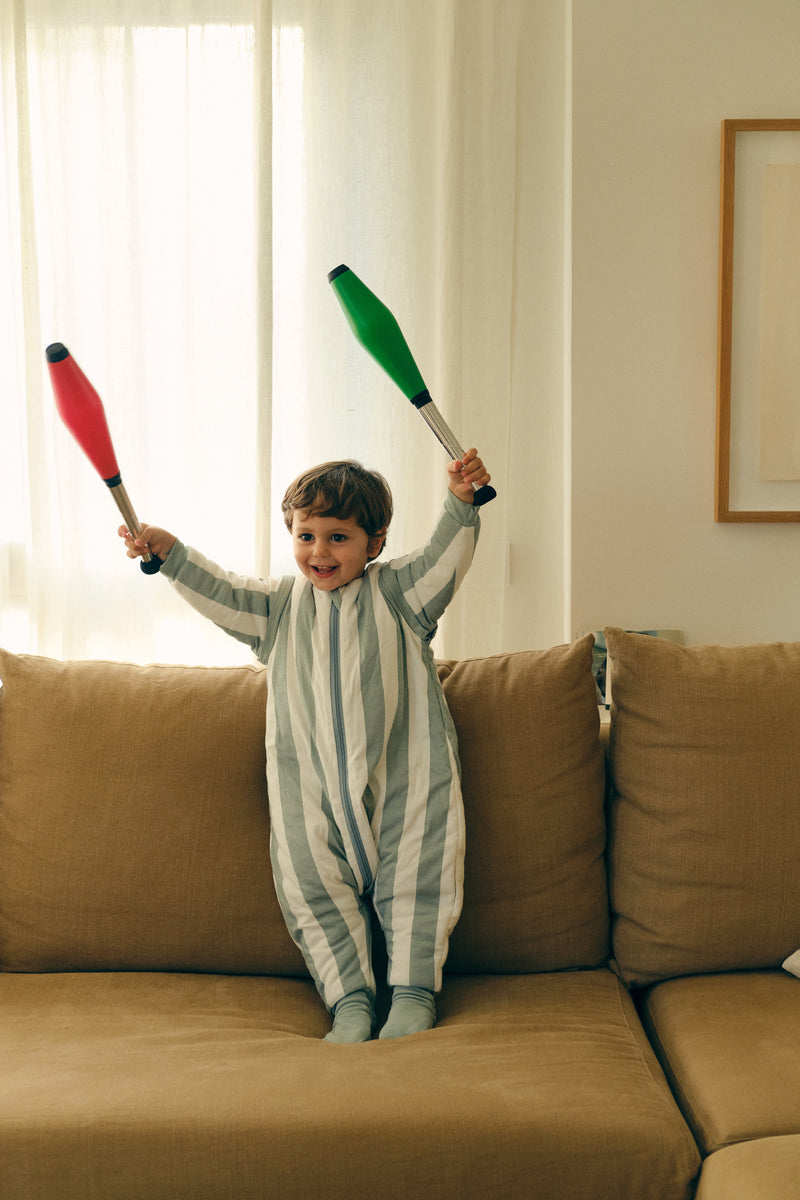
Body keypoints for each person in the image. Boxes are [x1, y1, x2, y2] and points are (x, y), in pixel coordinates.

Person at [120, 448, 491, 1042]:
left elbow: (447, 556)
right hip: (308, 789)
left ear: (375, 543)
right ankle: (350, 1003)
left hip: (407, 778)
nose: (319, 552)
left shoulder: (402, 596)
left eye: (338, 537)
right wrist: (170, 556)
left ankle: (414, 995)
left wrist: (461, 500)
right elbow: (220, 590)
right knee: (311, 887)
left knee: (420, 876)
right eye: (306, 535)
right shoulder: (277, 610)